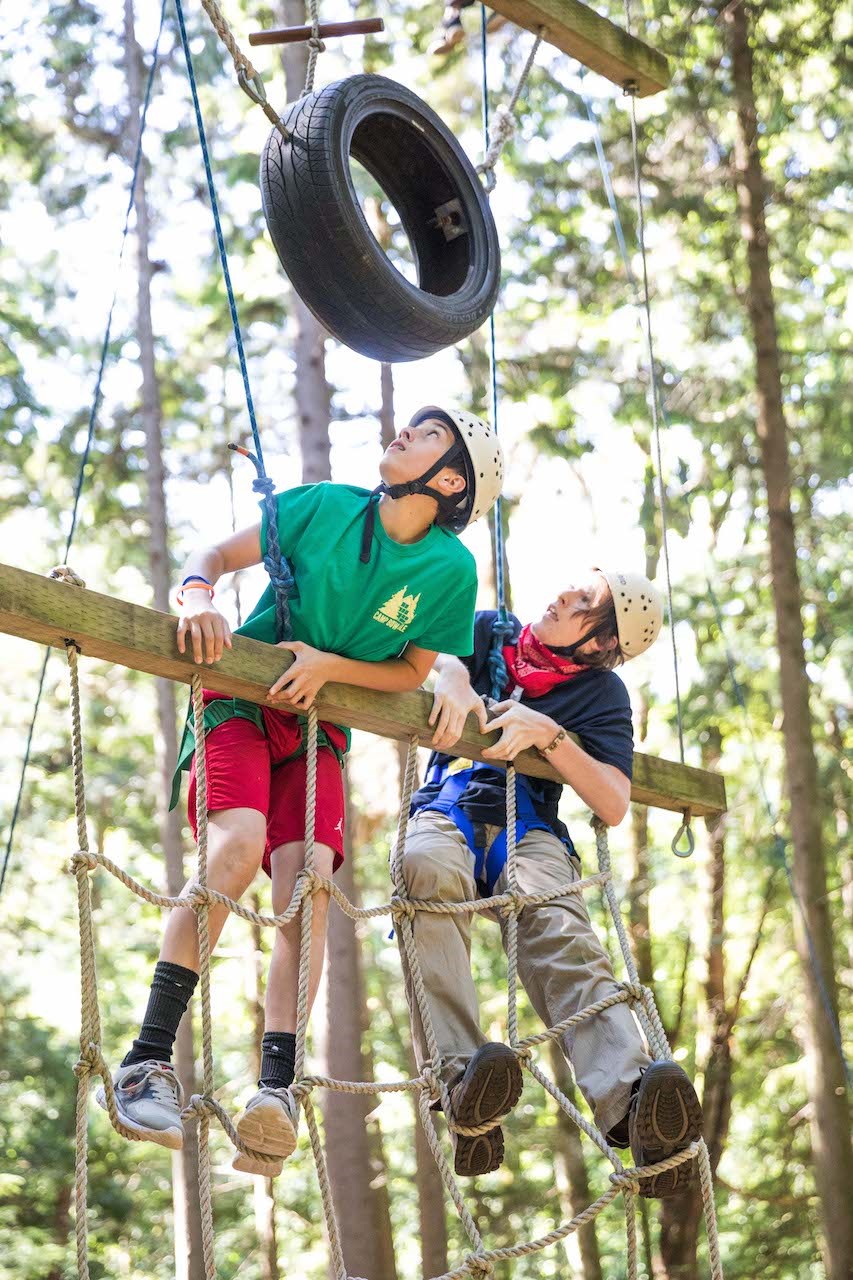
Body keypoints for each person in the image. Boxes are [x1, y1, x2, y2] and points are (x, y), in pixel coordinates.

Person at [98, 405, 504, 1176]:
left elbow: (413, 669)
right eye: (408, 424)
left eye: (426, 435)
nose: (402, 433)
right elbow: (214, 553)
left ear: (450, 481)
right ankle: (146, 1060)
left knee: (311, 884)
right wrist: (195, 594)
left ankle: (275, 1090)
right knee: (238, 845)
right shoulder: (324, 505)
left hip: (318, 730)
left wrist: (326, 667)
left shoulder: (448, 570)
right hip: (238, 703)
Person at [400, 570, 704, 1194]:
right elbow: (434, 659)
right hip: (449, 804)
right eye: (573, 586)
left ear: (598, 644)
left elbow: (614, 802)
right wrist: (454, 675)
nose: (563, 594)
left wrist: (552, 737)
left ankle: (632, 1107)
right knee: (422, 871)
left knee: (555, 919)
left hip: (530, 824)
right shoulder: (491, 632)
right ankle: (461, 1085)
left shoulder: (601, 696)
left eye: (585, 604)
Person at [429, 2, 508, 56]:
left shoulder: (449, 20)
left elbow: (453, 34)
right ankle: (507, 14)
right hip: (484, 16)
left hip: (462, 11)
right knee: (490, 29)